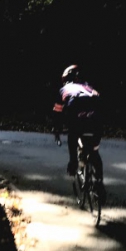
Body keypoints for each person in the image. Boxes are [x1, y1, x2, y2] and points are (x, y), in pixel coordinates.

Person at [53, 65, 105, 201]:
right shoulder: (88, 87)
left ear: (65, 80)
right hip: (96, 117)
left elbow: (57, 113)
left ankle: (73, 163)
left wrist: (57, 130)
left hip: (77, 115)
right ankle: (99, 182)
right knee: (94, 151)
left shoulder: (64, 90)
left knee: (73, 135)